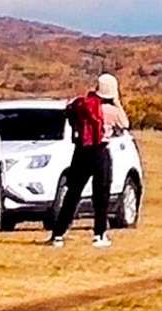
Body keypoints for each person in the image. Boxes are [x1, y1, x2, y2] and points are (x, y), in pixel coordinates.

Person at [47, 71, 121, 249]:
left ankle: (58, 234)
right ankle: (99, 233)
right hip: (100, 151)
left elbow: (69, 114)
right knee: (101, 194)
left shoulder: (81, 106)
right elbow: (124, 124)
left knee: (73, 193)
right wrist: (117, 102)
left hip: (81, 150)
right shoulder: (110, 110)